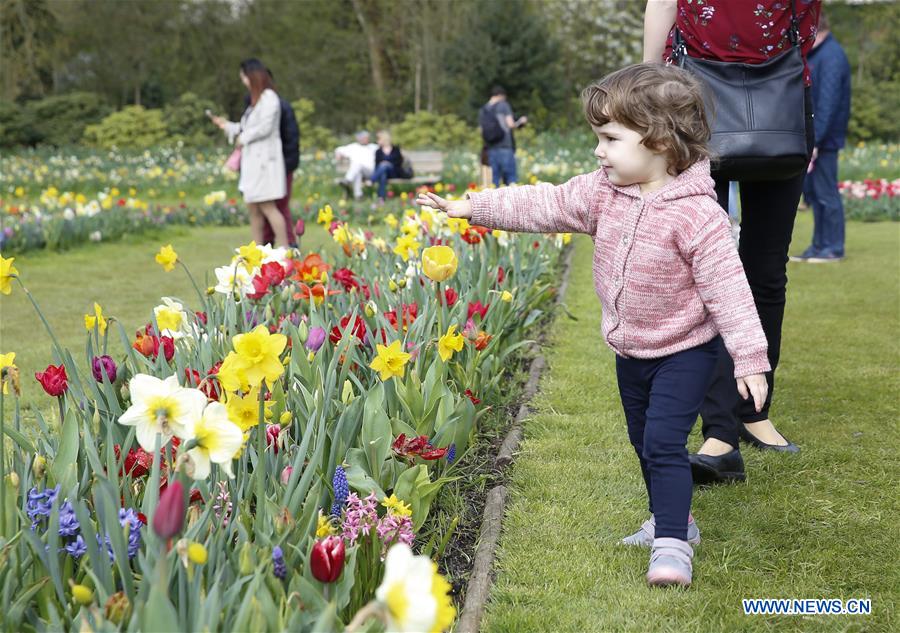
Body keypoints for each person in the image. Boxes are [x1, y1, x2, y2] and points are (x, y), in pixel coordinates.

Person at [416, 63, 770, 588]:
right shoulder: (603, 192)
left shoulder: (699, 216)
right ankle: (675, 520)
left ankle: (672, 545)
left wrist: (750, 358)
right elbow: (545, 203)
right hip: (631, 351)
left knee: (663, 442)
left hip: (685, 351)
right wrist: (473, 207)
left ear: (659, 139)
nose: (598, 151)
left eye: (610, 138)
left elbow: (730, 292)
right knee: (642, 439)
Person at [644, 0, 821, 484]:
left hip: (783, 92)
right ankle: (720, 431)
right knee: (702, 268)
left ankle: (753, 412)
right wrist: (648, 85)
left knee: (766, 268)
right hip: (691, 98)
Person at [793, 12, 851, 263]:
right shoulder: (820, 54)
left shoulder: (831, 56)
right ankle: (818, 246)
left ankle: (833, 247)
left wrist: (815, 141)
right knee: (816, 195)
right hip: (819, 137)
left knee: (826, 193)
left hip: (825, 140)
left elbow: (827, 103)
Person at [212, 58, 288, 246]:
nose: (244, 82)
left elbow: (264, 128)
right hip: (252, 163)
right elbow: (246, 127)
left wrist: (243, 138)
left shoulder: (269, 98)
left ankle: (285, 248)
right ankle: (257, 250)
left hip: (264, 162)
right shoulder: (256, 102)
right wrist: (226, 125)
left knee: (268, 207)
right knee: (253, 208)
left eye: (245, 77)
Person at [480, 86, 527, 187]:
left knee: (494, 181)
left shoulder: (484, 109)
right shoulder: (503, 105)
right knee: (511, 179)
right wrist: (520, 121)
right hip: (505, 147)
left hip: (490, 148)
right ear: (501, 96)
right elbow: (511, 124)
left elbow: (482, 130)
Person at [335, 131, 378, 200]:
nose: (366, 139)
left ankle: (347, 180)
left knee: (358, 165)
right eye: (364, 138)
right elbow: (339, 149)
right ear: (359, 139)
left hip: (371, 172)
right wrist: (338, 154)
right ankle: (358, 196)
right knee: (358, 172)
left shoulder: (373, 147)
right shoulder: (353, 147)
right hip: (357, 172)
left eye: (366, 138)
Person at [371, 130, 404, 203]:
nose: (377, 141)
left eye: (378, 139)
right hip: (383, 173)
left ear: (384, 139)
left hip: (394, 172)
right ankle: (381, 198)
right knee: (383, 174)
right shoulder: (378, 151)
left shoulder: (396, 149)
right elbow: (377, 166)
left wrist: (387, 163)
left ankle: (372, 180)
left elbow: (399, 162)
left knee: (384, 165)